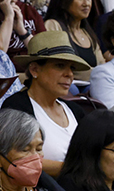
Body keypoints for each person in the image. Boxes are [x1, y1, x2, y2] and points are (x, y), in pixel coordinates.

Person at [5, 32, 91, 179]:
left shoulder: (75, 111)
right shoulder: (17, 106)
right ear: (34, 70)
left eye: (72, 68)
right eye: (60, 65)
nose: (69, 74)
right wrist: (75, 169)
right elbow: (18, 161)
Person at [43, 0, 104, 81]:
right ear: (63, 3)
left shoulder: (88, 33)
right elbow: (56, 63)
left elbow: (101, 65)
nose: (86, 4)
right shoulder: (53, 25)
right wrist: (95, 75)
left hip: (92, 84)